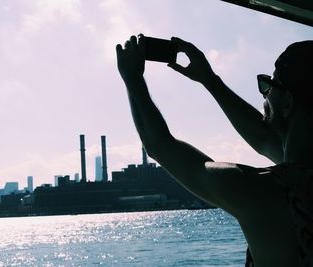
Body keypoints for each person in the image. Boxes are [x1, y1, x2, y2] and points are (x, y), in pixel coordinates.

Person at [116, 35, 313, 267]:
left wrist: (132, 78)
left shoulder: (265, 191)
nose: (265, 94)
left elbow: (159, 145)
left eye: (269, 86)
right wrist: (209, 80)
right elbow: (262, 137)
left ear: (288, 102)